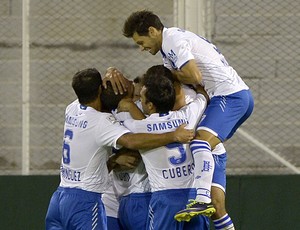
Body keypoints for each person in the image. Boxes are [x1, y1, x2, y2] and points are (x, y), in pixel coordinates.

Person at [104, 10, 254, 225]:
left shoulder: (172, 41)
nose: (141, 48)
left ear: (153, 31)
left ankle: (200, 198)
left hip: (229, 97)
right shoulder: (190, 105)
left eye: (141, 41)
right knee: (217, 204)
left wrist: (164, 75)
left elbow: (194, 76)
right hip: (228, 99)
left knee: (200, 142)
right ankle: (208, 203)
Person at [44, 68, 194, 230]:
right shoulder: (103, 121)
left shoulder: (72, 109)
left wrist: (109, 73)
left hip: (59, 198)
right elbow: (131, 140)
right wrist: (174, 136)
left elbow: (86, 89)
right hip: (84, 202)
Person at [117, 65, 210, 229]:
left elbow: (121, 135)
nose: (140, 102)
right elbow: (203, 97)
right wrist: (195, 83)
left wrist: (128, 106)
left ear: (150, 105)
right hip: (193, 196)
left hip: (165, 198)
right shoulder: (187, 115)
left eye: (142, 99)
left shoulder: (137, 127)